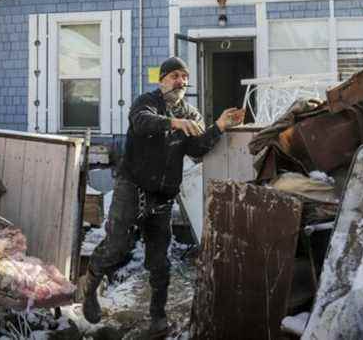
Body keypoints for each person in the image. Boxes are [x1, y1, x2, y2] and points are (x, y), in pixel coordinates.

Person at [81, 56, 244, 337]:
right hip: (131, 188)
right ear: (162, 80)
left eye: (184, 77)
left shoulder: (191, 114)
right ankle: (90, 286)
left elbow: (197, 149)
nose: (181, 81)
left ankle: (157, 316)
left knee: (160, 261)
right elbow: (142, 122)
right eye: (174, 76)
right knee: (117, 247)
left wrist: (218, 126)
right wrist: (174, 122)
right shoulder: (146, 102)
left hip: (162, 197)